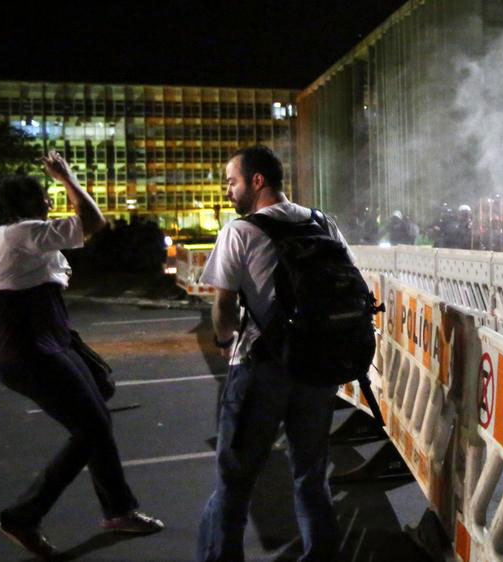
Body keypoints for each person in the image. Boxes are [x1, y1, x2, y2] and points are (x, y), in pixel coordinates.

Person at [0, 151, 163, 559]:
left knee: (98, 400)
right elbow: (93, 221)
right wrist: (66, 176)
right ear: (23, 207)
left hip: (36, 345)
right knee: (93, 427)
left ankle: (118, 509)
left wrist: (3, 291)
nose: (49, 202)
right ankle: (24, 516)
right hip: (32, 348)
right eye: (42, 197)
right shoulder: (22, 232)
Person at [197, 145, 343, 562]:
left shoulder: (240, 232)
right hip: (318, 366)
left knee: (236, 478)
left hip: (261, 367)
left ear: (256, 181)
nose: (228, 190)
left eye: (232, 181)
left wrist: (226, 344)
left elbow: (223, 305)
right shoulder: (322, 222)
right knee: (311, 474)